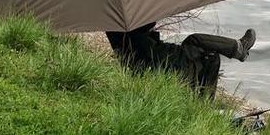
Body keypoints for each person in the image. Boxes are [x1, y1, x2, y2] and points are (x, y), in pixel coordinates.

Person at [106, 23, 256, 97]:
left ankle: (203, 105)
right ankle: (239, 48)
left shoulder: (116, 21)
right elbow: (145, 45)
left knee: (211, 56)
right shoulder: (125, 25)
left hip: (157, 60)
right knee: (195, 40)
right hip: (160, 65)